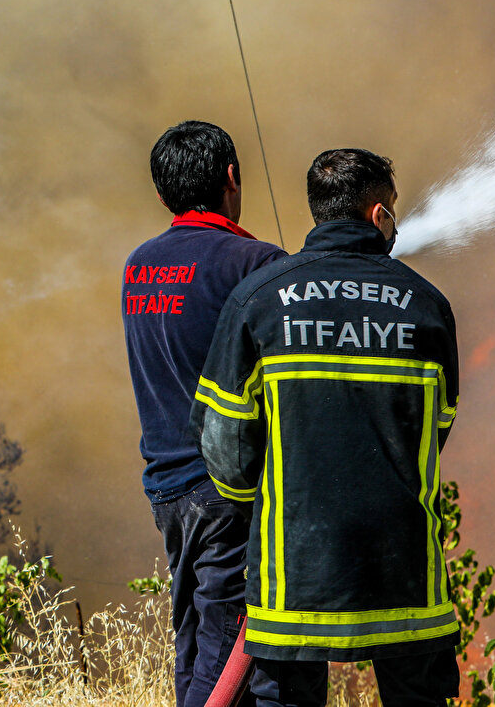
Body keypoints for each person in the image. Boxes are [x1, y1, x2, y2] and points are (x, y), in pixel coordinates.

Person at [192, 148, 461, 707]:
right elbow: (434, 430)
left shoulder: (258, 300)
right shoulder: (427, 307)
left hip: (295, 573)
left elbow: (222, 442)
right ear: (378, 216)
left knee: (286, 697)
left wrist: (264, 503)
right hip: (406, 574)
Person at [122, 121, 286, 707]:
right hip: (228, 492)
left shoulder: (138, 266)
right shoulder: (254, 263)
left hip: (167, 491)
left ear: (162, 196)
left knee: (194, 642)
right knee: (226, 656)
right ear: (231, 179)